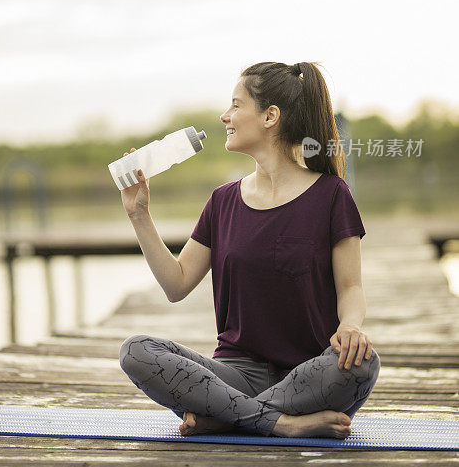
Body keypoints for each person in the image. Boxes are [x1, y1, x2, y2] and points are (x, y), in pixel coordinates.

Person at [118, 61, 380, 439]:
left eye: (237, 105)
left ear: (271, 116)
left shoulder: (331, 195)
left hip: (308, 376)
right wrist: (139, 214)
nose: (226, 116)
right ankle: (281, 424)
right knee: (137, 351)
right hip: (235, 375)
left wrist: (351, 327)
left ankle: (227, 417)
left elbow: (351, 288)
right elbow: (176, 285)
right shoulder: (222, 201)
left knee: (363, 363)